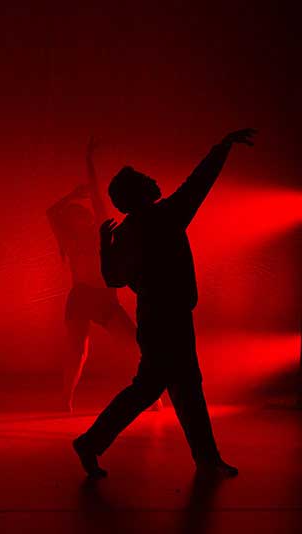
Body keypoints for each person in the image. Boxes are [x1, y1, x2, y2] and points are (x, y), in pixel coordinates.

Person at [73, 129, 256, 478]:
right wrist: (221, 147)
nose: (151, 181)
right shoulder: (166, 216)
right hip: (169, 319)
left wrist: (104, 247)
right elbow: (198, 182)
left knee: (158, 388)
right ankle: (204, 459)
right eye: (144, 181)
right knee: (179, 387)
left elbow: (113, 278)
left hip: (154, 319)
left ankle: (93, 443)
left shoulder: (126, 232)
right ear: (140, 193)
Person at [47, 137, 161, 413]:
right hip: (81, 296)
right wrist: (72, 196)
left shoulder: (101, 231)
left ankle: (153, 395)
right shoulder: (69, 241)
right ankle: (66, 400)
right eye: (75, 216)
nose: (80, 218)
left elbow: (98, 197)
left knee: (135, 345)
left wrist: (90, 161)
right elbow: (51, 212)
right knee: (78, 352)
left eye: (82, 215)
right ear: (71, 222)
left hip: (105, 298)